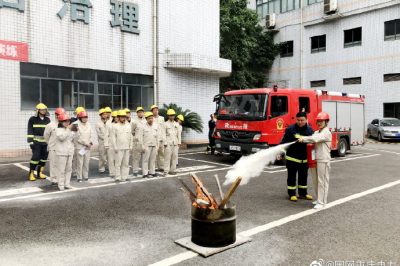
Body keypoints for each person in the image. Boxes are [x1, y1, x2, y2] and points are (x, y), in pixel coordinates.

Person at [298, 112, 332, 209]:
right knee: (315, 180)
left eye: (322, 121)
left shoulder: (326, 133)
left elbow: (315, 139)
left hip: (323, 159)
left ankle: (322, 202)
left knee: (322, 181)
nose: (319, 123)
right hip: (315, 159)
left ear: (326, 122)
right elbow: (312, 139)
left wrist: (303, 138)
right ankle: (318, 199)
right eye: (318, 121)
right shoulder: (317, 132)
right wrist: (303, 139)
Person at [279, 112, 314, 202]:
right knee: (291, 177)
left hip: (304, 160)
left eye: (302, 120)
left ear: (306, 120)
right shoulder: (290, 130)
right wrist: (281, 153)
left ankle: (303, 194)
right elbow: (284, 143)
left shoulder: (310, 131)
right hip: (292, 159)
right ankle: (292, 194)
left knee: (303, 177)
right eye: (298, 120)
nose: (300, 122)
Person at [27, 103, 51, 181]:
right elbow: (30, 130)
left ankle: (39, 173)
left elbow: (50, 131)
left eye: (45, 109)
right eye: (42, 109)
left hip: (46, 143)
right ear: (38, 110)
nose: (44, 111)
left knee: (44, 158)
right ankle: (31, 173)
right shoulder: (32, 119)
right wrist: (30, 142)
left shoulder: (47, 119)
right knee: (35, 157)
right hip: (36, 142)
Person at [44, 107, 65, 185]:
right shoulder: (50, 125)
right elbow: (46, 136)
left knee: (61, 163)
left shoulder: (64, 124)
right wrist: (50, 143)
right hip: (53, 147)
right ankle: (53, 179)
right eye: (59, 115)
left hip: (62, 147)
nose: (60, 116)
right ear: (56, 115)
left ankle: (60, 177)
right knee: (53, 164)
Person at [54, 114, 74, 191]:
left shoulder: (70, 129)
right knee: (61, 170)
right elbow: (61, 138)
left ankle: (67, 183)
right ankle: (61, 184)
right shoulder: (58, 130)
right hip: (61, 152)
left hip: (69, 152)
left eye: (68, 121)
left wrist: (75, 131)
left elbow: (72, 139)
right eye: (65, 121)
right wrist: (68, 130)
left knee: (69, 169)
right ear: (61, 122)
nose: (67, 122)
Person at [111, 110, 132, 182]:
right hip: (119, 148)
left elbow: (131, 136)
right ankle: (117, 177)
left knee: (126, 163)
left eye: (124, 117)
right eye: (122, 117)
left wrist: (131, 146)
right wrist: (115, 147)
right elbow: (113, 137)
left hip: (127, 147)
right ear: (119, 117)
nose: (123, 118)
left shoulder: (128, 125)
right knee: (118, 163)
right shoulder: (115, 126)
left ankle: (125, 177)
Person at [138, 112, 159, 178]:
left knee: (153, 160)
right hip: (146, 146)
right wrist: (142, 146)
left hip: (154, 145)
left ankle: (152, 172)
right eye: (149, 118)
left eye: (152, 118)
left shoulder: (156, 126)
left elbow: (158, 136)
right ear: (146, 119)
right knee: (145, 160)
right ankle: (145, 173)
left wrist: (157, 145)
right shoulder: (142, 126)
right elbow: (140, 137)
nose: (151, 119)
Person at [74, 111, 93, 182]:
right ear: (80, 118)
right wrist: (85, 143)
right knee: (80, 162)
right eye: (83, 117)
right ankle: (79, 177)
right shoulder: (75, 124)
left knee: (86, 162)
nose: (85, 119)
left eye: (86, 117)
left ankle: (86, 176)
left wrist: (90, 142)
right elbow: (76, 137)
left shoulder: (89, 124)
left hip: (87, 146)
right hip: (80, 146)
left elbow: (91, 135)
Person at [163, 109, 181, 176]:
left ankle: (173, 170)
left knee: (174, 157)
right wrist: (164, 143)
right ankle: (166, 171)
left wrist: (179, 142)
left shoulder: (176, 124)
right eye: (170, 115)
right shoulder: (165, 124)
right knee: (167, 157)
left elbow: (179, 134)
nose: (172, 117)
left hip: (175, 142)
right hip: (168, 143)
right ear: (168, 116)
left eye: (173, 115)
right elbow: (163, 134)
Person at [131, 107, 146, 177]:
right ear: (137, 113)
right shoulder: (134, 121)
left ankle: (144, 171)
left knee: (145, 157)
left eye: (142, 112)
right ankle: (135, 170)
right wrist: (136, 138)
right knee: (136, 157)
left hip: (145, 142)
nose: (140, 113)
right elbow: (132, 132)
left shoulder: (146, 121)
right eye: (139, 112)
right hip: (137, 142)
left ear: (143, 113)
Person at [151, 105, 166, 172]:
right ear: (152, 111)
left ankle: (161, 166)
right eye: (154, 110)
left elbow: (163, 129)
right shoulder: (150, 119)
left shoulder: (162, 118)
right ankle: (154, 167)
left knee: (161, 153)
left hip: (161, 139)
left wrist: (164, 139)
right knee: (154, 154)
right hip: (154, 139)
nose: (156, 111)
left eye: (157, 110)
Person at [104, 111, 118, 177]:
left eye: (117, 117)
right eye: (115, 117)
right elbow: (106, 135)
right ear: (113, 117)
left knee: (118, 159)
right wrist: (106, 144)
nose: (116, 118)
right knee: (111, 159)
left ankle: (117, 172)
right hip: (110, 144)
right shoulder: (108, 124)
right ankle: (112, 173)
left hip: (118, 144)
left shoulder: (121, 124)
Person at [96, 108, 108, 173]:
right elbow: (99, 134)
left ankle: (110, 168)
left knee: (110, 156)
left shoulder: (109, 122)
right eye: (103, 114)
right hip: (102, 142)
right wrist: (105, 138)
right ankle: (101, 168)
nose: (105, 115)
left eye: (106, 114)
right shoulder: (98, 124)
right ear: (100, 115)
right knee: (102, 155)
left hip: (109, 141)